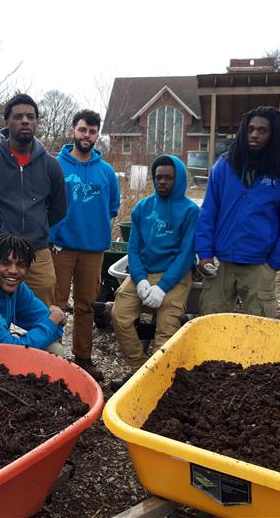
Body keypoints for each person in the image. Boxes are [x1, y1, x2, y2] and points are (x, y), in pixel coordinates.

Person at [195, 105, 280, 317]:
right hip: (221, 262)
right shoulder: (224, 167)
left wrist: (274, 262)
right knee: (211, 321)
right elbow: (208, 212)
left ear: (275, 136)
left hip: (259, 264)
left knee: (259, 330)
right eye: (250, 129)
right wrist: (205, 254)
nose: (254, 135)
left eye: (262, 131)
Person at [0, 93, 67, 307]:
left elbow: (58, 209)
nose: (25, 121)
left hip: (38, 253)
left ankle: (38, 342)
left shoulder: (51, 165)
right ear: (7, 122)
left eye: (31, 116)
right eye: (18, 117)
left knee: (42, 313)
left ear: (36, 121)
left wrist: (38, 226)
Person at [110, 155, 199, 389]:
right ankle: (140, 370)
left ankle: (161, 382)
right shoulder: (143, 208)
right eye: (158, 177)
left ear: (177, 179)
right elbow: (134, 249)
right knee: (120, 315)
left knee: (165, 334)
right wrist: (139, 280)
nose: (162, 182)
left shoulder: (190, 211)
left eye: (168, 177)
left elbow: (186, 255)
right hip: (144, 273)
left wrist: (163, 287)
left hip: (175, 276)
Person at [50, 109, 120, 381]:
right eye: (82, 130)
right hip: (61, 247)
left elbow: (112, 208)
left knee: (86, 305)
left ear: (97, 135)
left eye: (92, 132)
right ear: (72, 132)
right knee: (55, 303)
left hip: (93, 249)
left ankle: (82, 358)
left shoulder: (106, 172)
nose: (87, 136)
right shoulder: (56, 165)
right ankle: (51, 355)